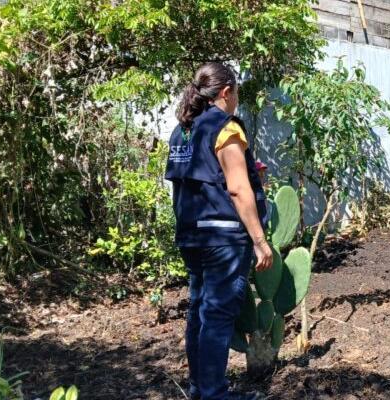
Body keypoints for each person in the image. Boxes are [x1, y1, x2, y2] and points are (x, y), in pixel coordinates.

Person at [165, 62, 272, 400]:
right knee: (217, 317)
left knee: (199, 311)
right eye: (237, 93)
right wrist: (260, 241)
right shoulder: (226, 129)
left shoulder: (182, 130)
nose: (237, 100)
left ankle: (201, 390)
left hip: (192, 235)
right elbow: (238, 189)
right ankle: (213, 394)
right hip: (224, 239)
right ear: (226, 92)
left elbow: (195, 183)